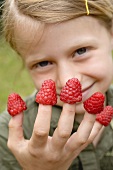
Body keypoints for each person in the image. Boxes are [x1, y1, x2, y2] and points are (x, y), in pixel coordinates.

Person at [0, 0, 113, 169]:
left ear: (111, 34)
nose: (67, 80)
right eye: (44, 63)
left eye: (80, 51)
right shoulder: (8, 137)